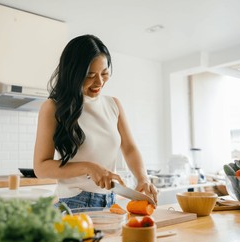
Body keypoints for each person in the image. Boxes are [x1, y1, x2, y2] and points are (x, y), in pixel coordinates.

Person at [33, 34, 158, 209]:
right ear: (73, 73)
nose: (99, 82)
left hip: (110, 201)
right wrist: (88, 167)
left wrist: (143, 177)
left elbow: (129, 148)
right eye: (90, 75)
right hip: (73, 203)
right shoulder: (53, 108)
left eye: (104, 73)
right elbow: (41, 167)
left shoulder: (113, 104)